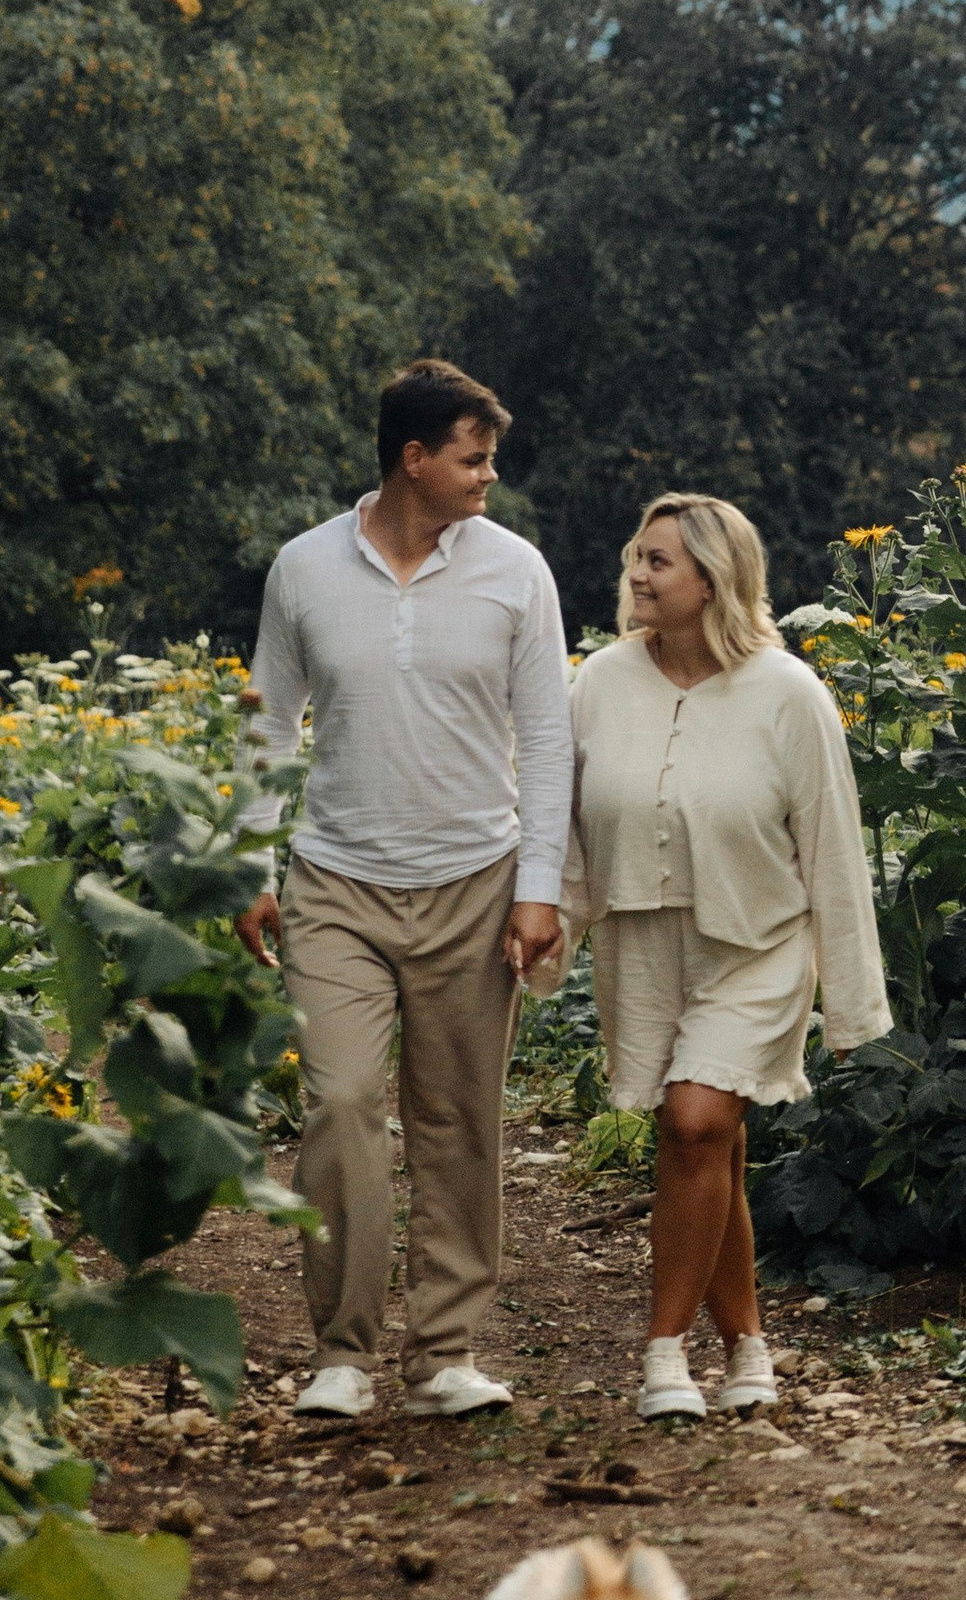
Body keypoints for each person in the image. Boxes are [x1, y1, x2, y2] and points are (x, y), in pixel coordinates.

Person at [237, 359, 571, 1421]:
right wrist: (252, 862)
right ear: (412, 457)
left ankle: (443, 1351)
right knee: (338, 1104)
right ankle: (342, 1350)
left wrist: (538, 885)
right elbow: (265, 721)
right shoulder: (303, 569)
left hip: (474, 881)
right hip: (335, 880)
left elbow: (549, 738)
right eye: (474, 458)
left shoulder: (516, 571)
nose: (488, 476)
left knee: (458, 1117)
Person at [551, 491, 889, 1420]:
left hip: (760, 941)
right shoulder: (601, 682)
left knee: (694, 1123)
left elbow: (834, 850)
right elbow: (568, 825)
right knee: (712, 1143)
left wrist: (853, 1005)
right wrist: (547, 928)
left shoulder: (790, 694)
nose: (637, 572)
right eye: (636, 555)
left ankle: (664, 1352)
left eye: (659, 560)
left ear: (713, 579)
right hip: (643, 941)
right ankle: (748, 1345)